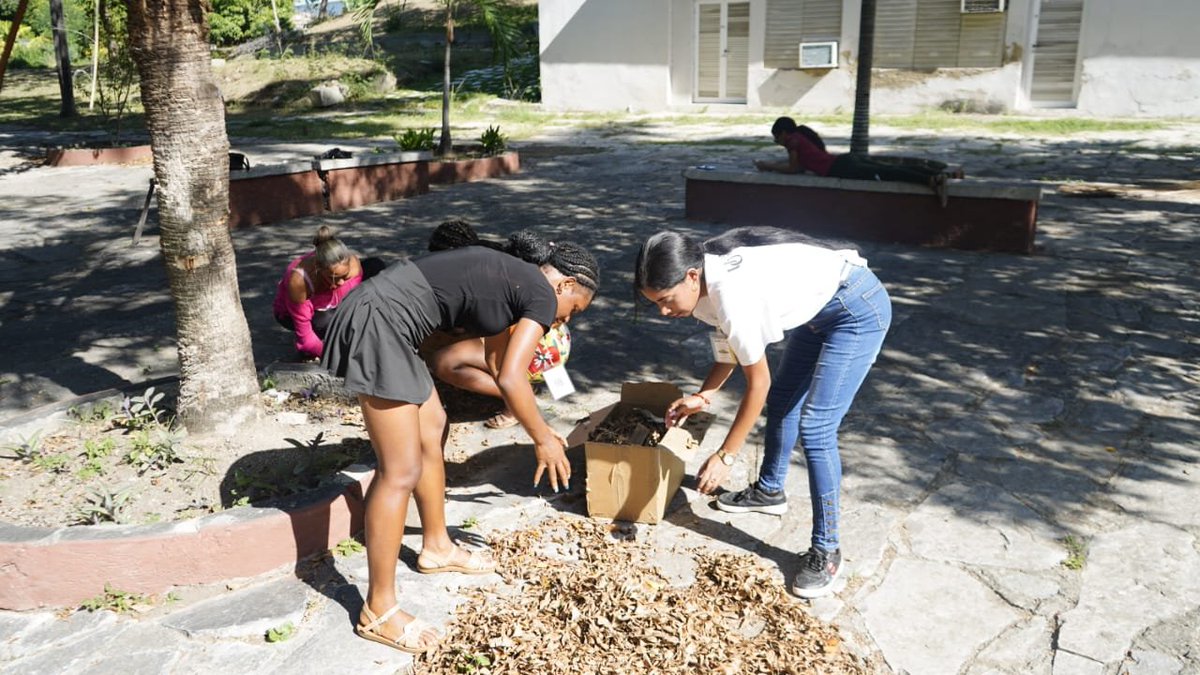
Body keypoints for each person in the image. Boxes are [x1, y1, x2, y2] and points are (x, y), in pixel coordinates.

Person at [321, 230, 600, 653]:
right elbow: (509, 377)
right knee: (400, 470)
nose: (564, 320)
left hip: (386, 322)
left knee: (432, 425)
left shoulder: (518, 282)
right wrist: (542, 438)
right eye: (573, 309)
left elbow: (501, 368)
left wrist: (537, 417)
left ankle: (436, 547)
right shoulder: (540, 296)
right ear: (564, 285)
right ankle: (378, 610)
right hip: (379, 323)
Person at [634, 226, 891, 599]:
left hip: (855, 309)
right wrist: (704, 394)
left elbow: (757, 383)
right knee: (784, 400)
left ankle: (827, 549)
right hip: (819, 312)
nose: (664, 310)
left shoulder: (731, 293)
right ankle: (769, 491)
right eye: (655, 302)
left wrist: (726, 455)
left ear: (692, 276)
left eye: (667, 299)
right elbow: (730, 345)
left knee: (816, 428)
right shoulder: (704, 277)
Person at [422, 220, 573, 429]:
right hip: (558, 343)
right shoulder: (491, 255)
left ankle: (516, 400)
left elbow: (499, 328)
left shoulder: (476, 274)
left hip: (538, 352)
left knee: (445, 362)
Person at [753, 116, 956, 206]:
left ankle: (930, 181)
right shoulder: (802, 135)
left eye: (776, 137)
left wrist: (766, 166)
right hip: (844, 161)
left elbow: (793, 169)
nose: (777, 142)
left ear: (783, 133)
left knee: (886, 173)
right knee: (887, 168)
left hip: (841, 168)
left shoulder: (793, 141)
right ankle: (936, 176)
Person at [272, 226, 382, 360]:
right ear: (318, 269)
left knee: (376, 266)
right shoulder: (299, 282)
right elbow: (306, 341)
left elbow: (355, 300)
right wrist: (335, 357)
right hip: (293, 314)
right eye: (334, 278)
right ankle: (322, 339)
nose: (341, 283)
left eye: (345, 276)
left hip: (333, 304)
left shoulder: (353, 265)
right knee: (327, 321)